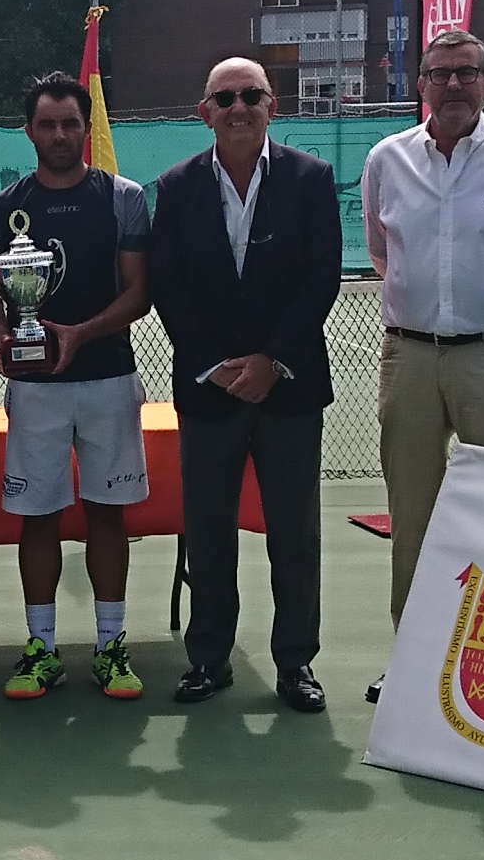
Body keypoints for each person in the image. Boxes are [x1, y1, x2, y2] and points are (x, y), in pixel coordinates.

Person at [146, 56, 341, 712]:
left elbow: (320, 275)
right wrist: (214, 365)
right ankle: (208, 658)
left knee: (295, 535)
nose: (238, 108)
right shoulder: (175, 187)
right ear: (204, 112)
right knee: (208, 533)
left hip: (289, 389)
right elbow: (168, 283)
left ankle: (296, 662)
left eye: (251, 96)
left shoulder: (310, 178)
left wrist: (271, 361)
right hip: (209, 390)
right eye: (224, 98)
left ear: (271, 105)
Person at [363, 29, 484, 621]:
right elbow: (382, 251)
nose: (453, 84)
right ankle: (412, 651)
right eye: (440, 74)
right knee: (412, 517)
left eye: (466, 72)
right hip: (410, 359)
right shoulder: (386, 159)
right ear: (421, 85)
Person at [0, 73, 156, 702]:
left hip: (108, 378)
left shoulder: (123, 198)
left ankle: (110, 646)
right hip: (36, 389)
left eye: (70, 124)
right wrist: (5, 339)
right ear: (29, 131)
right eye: (47, 125)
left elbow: (139, 293)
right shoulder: (2, 209)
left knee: (108, 514)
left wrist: (80, 335)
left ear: (87, 129)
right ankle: (42, 648)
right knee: (38, 516)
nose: (59, 135)